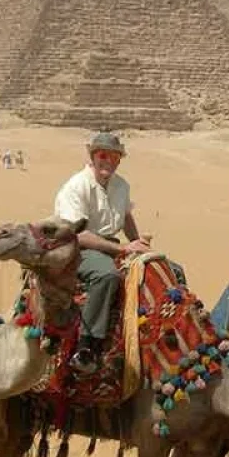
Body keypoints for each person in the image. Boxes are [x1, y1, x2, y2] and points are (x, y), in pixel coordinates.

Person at [54, 132, 152, 373]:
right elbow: (80, 235)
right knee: (106, 275)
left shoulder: (121, 185)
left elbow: (126, 216)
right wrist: (124, 248)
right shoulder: (76, 186)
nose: (108, 161)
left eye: (114, 156)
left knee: (165, 270)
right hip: (79, 248)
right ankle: (87, 346)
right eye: (102, 155)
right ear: (93, 156)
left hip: (112, 245)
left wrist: (137, 241)